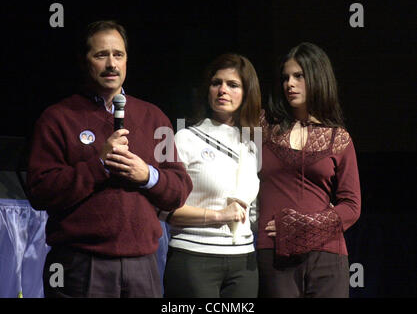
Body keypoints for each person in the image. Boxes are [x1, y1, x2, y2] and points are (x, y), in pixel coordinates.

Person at [26, 20, 193, 298]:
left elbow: (178, 190)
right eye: (101, 55)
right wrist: (98, 166)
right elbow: (40, 191)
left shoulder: (154, 117)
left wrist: (148, 176)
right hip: (80, 264)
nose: (111, 64)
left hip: (143, 265)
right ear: (84, 61)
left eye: (119, 55)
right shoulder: (57, 118)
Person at [257, 42, 361, 298]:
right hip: (273, 250)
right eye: (285, 77)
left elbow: (352, 206)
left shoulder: (339, 138)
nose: (289, 84)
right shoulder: (264, 127)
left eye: (298, 76)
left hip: (327, 253)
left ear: (317, 77)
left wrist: (306, 226)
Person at [160, 53, 261, 298]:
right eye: (217, 83)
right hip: (194, 258)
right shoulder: (185, 138)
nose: (222, 90)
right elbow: (166, 211)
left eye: (233, 85)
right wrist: (218, 216)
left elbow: (252, 211)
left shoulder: (251, 144)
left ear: (246, 93)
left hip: (244, 261)